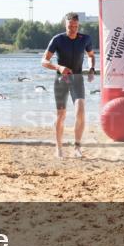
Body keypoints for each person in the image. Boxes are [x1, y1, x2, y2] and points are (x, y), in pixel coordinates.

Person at [41, 12, 95, 159]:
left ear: (78, 25)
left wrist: (91, 69)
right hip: (61, 79)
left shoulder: (85, 39)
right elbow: (44, 61)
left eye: (75, 26)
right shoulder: (57, 39)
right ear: (65, 25)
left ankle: (77, 147)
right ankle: (58, 148)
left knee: (81, 110)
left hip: (77, 78)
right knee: (61, 114)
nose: (73, 29)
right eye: (70, 26)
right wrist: (58, 67)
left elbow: (91, 56)